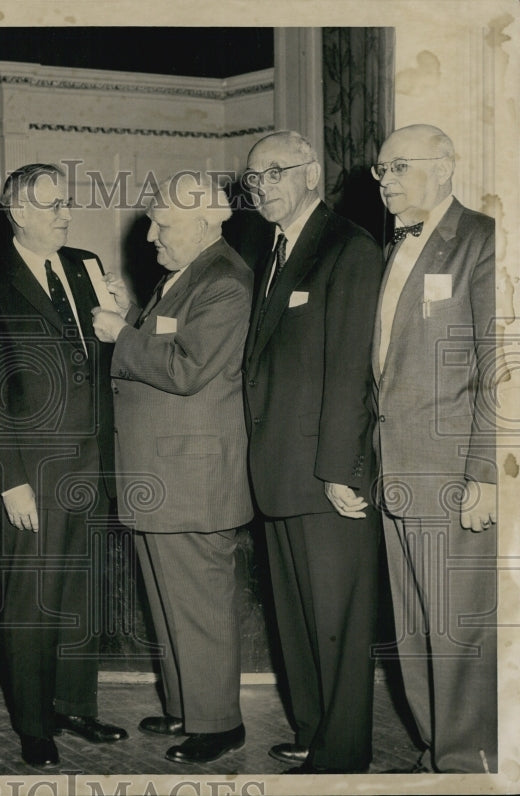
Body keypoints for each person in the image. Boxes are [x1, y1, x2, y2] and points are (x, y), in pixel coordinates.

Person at [0, 163, 128, 768]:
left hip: (91, 461)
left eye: (66, 202)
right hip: (30, 472)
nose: (64, 214)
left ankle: (75, 705)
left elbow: (106, 355)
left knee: (80, 591)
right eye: (50, 205)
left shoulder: (87, 267)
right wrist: (9, 482)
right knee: (31, 598)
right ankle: (34, 723)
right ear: (17, 214)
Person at [92, 172, 253, 764]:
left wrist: (119, 336)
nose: (151, 232)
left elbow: (187, 367)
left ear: (208, 221)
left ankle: (219, 724)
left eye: (164, 223)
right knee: (168, 602)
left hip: (193, 480)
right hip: (164, 476)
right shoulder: (182, 276)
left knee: (200, 607)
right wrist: (130, 314)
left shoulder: (225, 281)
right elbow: (169, 338)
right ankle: (190, 706)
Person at [242, 131, 383, 773]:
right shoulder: (271, 249)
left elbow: (352, 368)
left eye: (274, 173)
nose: (262, 186)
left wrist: (337, 470)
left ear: (310, 174)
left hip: (325, 476)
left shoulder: (348, 247)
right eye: (254, 178)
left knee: (337, 626)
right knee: (297, 623)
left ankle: (342, 754)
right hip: (278, 472)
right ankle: (310, 730)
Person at [371, 124, 497, 774]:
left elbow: (500, 366)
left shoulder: (481, 238)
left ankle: (468, 767)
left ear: (445, 165)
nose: (386, 180)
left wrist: (487, 473)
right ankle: (436, 753)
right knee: (413, 628)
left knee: (458, 630)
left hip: (451, 470)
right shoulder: (393, 246)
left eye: (399, 167)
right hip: (397, 466)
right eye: (381, 170)